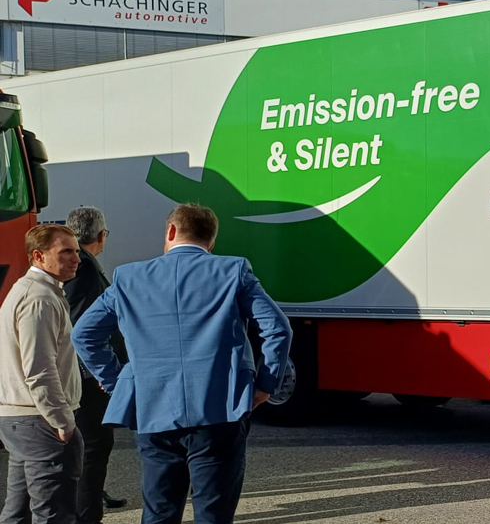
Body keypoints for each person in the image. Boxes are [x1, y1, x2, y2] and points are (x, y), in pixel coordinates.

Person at [72, 204, 293, 524]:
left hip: (153, 408)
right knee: (214, 513)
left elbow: (84, 334)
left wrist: (117, 381)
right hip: (219, 410)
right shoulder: (233, 270)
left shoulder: (128, 277)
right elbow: (278, 329)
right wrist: (265, 386)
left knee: (160, 511)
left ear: (171, 231)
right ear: (211, 241)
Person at [0, 224, 83, 524]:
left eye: (76, 251)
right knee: (53, 514)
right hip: (39, 420)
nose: (77, 259)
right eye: (66, 252)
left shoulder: (30, 290)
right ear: (38, 256)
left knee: (17, 513)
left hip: (24, 418)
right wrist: (63, 421)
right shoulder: (40, 298)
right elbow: (39, 369)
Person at [63, 207, 127, 521]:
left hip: (83, 373)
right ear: (101, 236)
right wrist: (98, 373)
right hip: (88, 377)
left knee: (89, 445)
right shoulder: (84, 268)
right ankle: (87, 511)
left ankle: (91, 496)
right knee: (94, 446)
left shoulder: (79, 264)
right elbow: (82, 327)